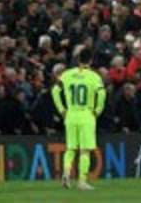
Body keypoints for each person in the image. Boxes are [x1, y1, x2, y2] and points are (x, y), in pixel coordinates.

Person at [52, 47, 105, 191]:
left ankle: (66, 174)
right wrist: (97, 110)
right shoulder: (94, 77)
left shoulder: (67, 75)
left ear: (78, 59)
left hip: (71, 114)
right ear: (91, 60)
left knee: (70, 148)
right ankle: (82, 181)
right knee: (85, 150)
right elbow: (101, 94)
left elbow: (55, 91)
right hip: (86, 114)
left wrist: (62, 109)